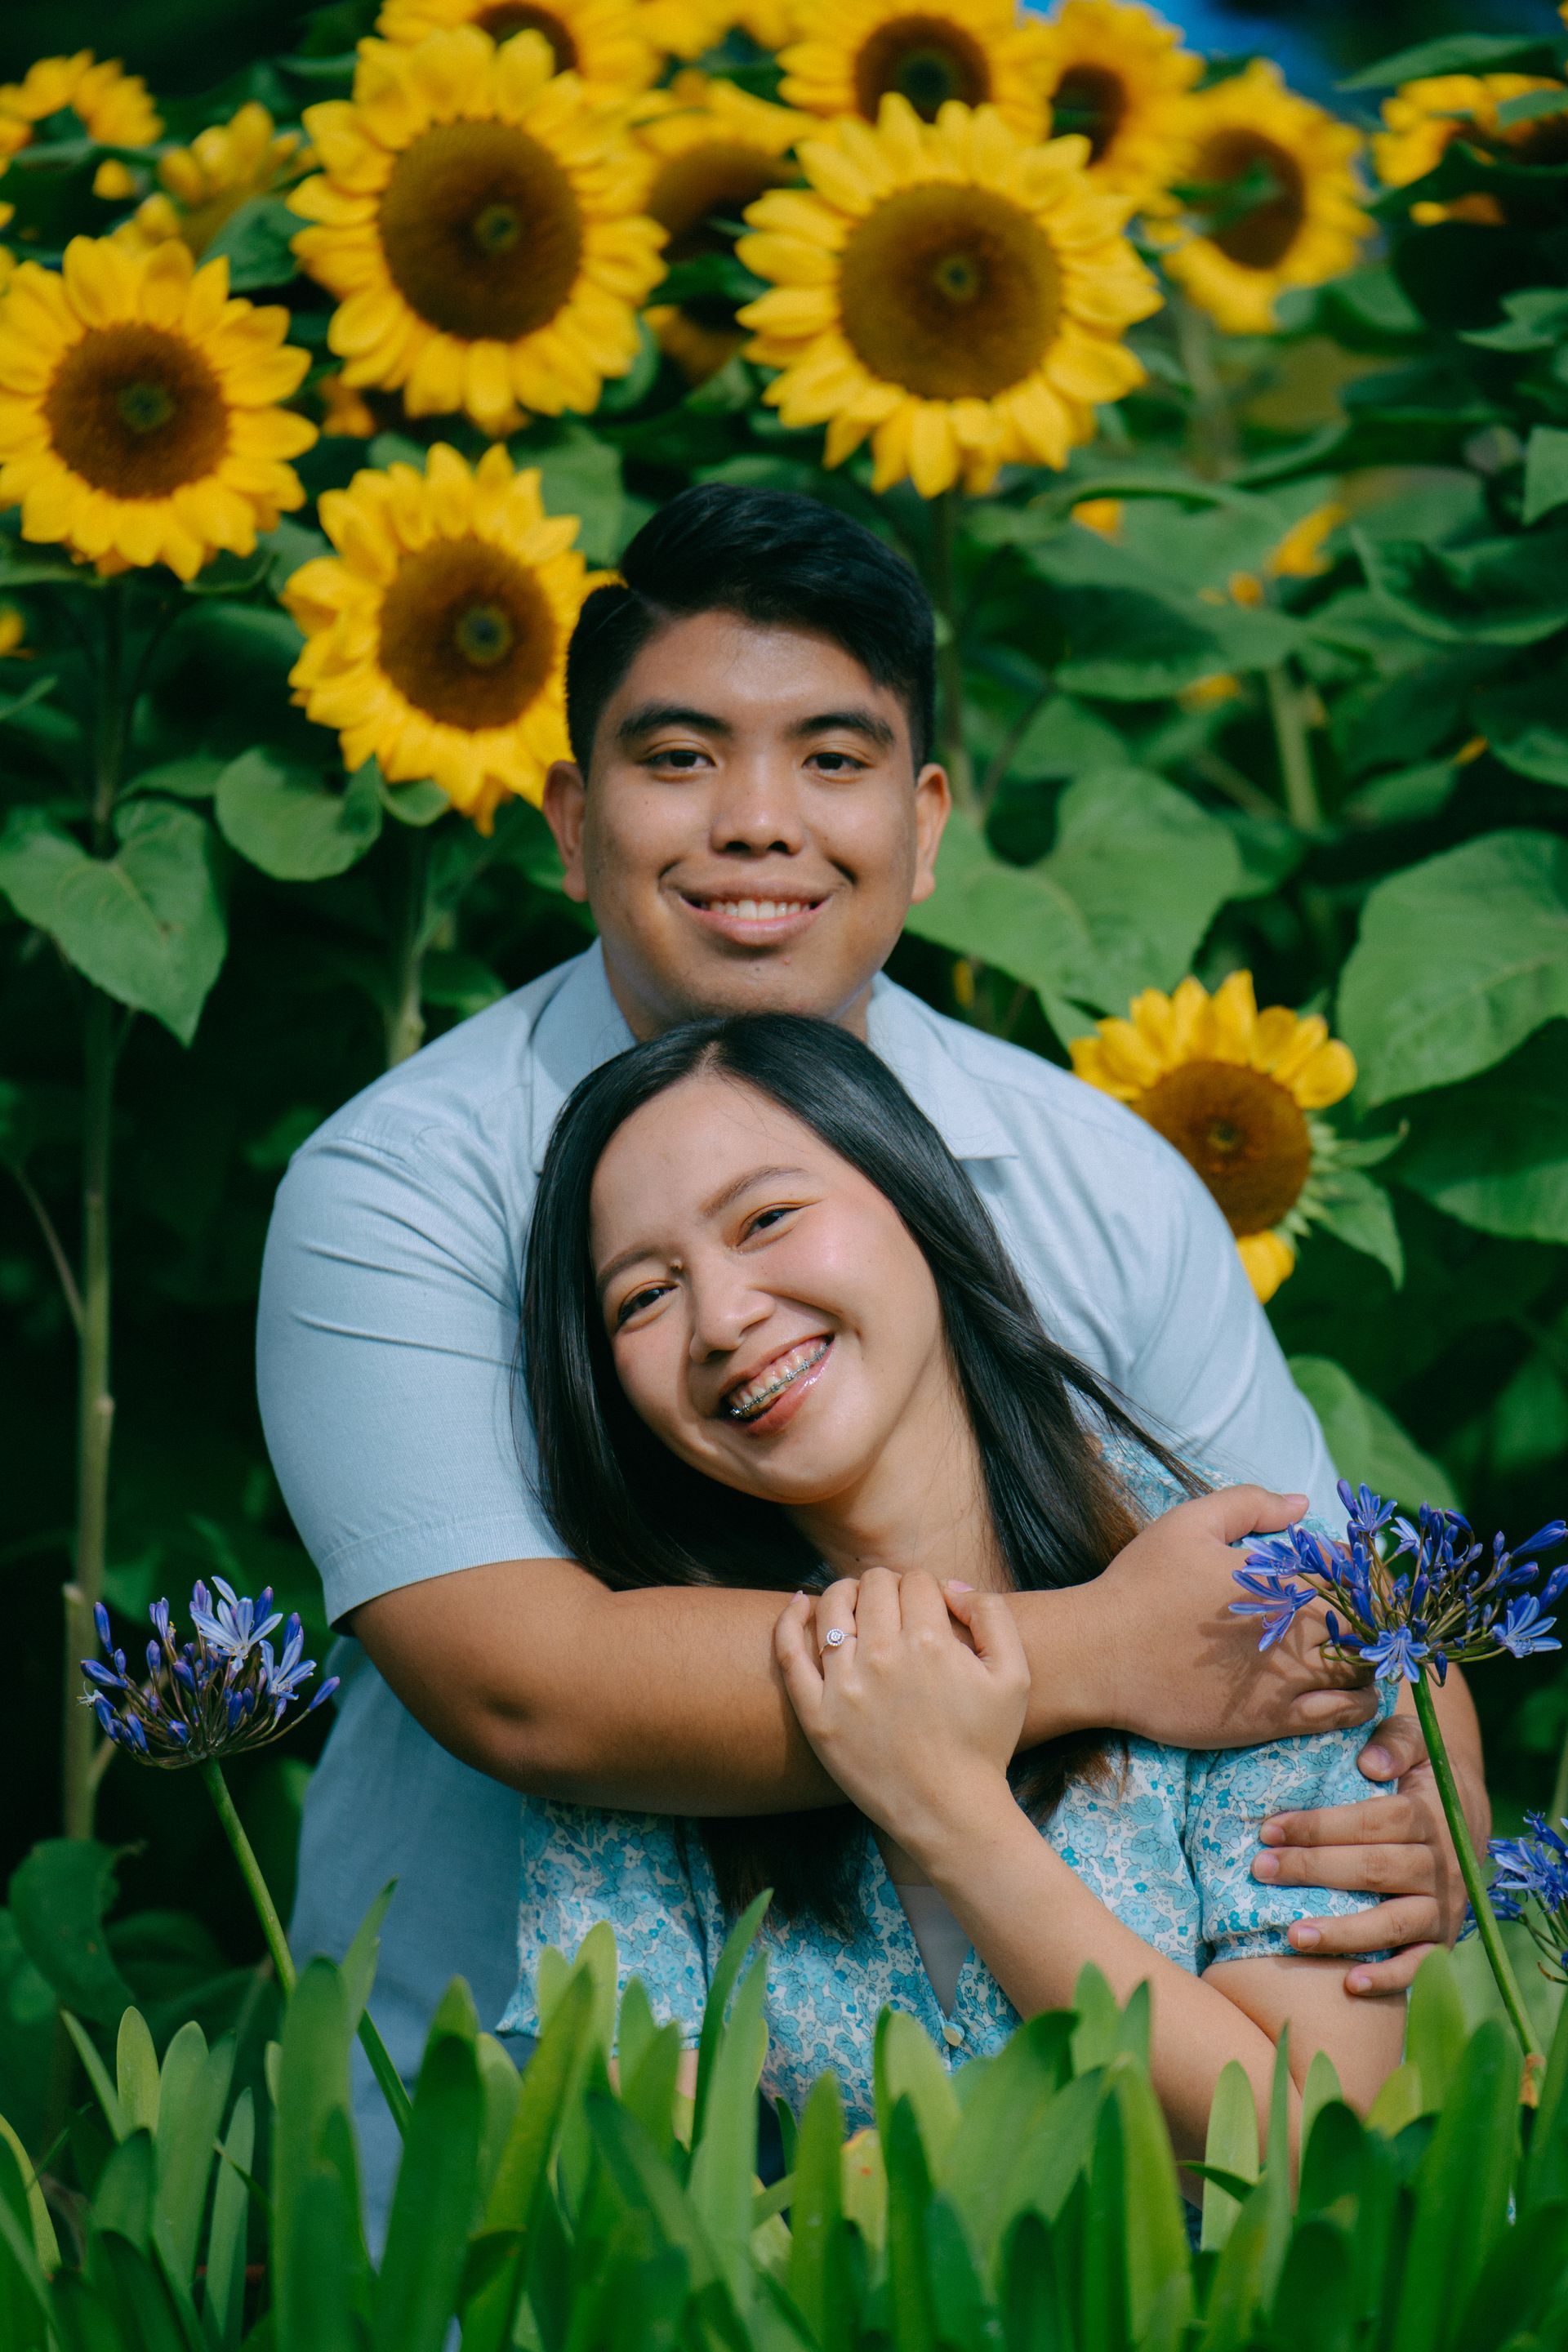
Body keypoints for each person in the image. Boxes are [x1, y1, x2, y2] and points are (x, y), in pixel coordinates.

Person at [256, 485, 1477, 2215]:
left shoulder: (1097, 1178)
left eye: (831, 760)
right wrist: (1098, 1651)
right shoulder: (403, 1185)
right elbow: (533, 1686)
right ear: (571, 823)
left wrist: (1429, 1775)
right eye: (680, 758)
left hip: (1157, 2206)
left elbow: (1307, 1589)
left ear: (925, 823)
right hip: (530, 2161)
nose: (758, 822)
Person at [503, 1013, 1404, 2146]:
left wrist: (949, 1810)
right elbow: (634, 2186)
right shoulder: (645, 1720)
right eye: (643, 1296)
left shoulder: (1244, 1594)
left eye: (768, 1219)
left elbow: (1316, 2155)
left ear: (915, 1197)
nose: (721, 1320)